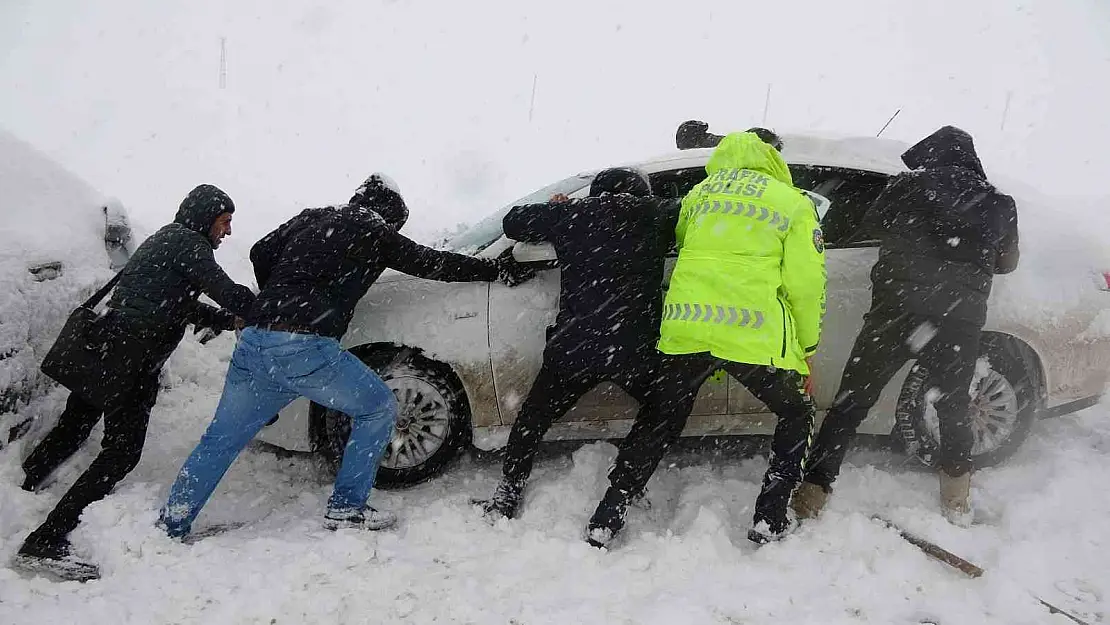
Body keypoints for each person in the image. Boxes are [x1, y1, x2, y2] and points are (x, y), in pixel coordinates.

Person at [157, 173, 535, 538]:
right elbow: (434, 263)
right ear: (390, 217)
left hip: (256, 341)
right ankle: (347, 507)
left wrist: (280, 293)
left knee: (220, 439)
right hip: (304, 345)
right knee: (377, 407)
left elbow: (260, 251)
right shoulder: (373, 231)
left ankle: (172, 522)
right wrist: (495, 269)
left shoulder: (313, 217)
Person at [15, 184, 255, 581]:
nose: (227, 232)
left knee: (74, 427)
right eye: (225, 222)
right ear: (206, 217)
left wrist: (227, 321)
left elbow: (178, 304)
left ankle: (19, 491)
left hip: (108, 348)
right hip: (133, 358)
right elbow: (228, 292)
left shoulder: (167, 238)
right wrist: (271, 307)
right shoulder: (190, 245)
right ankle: (46, 539)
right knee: (121, 453)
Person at [793, 126, 1020, 527]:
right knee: (953, 408)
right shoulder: (1000, 203)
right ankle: (956, 502)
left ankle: (813, 492)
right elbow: (1007, 263)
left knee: (851, 403)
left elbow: (872, 223)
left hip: (897, 311)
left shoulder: (906, 186)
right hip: (958, 319)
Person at [629, 129, 827, 546]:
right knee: (797, 413)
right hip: (752, 336)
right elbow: (806, 286)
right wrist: (806, 349)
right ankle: (770, 517)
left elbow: (686, 246)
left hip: (689, 328)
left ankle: (609, 511)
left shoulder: (698, 195)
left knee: (659, 417)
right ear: (772, 160)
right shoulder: (793, 203)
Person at [470, 168, 680, 543]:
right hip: (633, 349)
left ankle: (508, 491)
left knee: (534, 417)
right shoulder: (657, 213)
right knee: (665, 410)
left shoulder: (573, 216)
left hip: (575, 347)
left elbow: (513, 221)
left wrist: (559, 209)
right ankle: (621, 492)